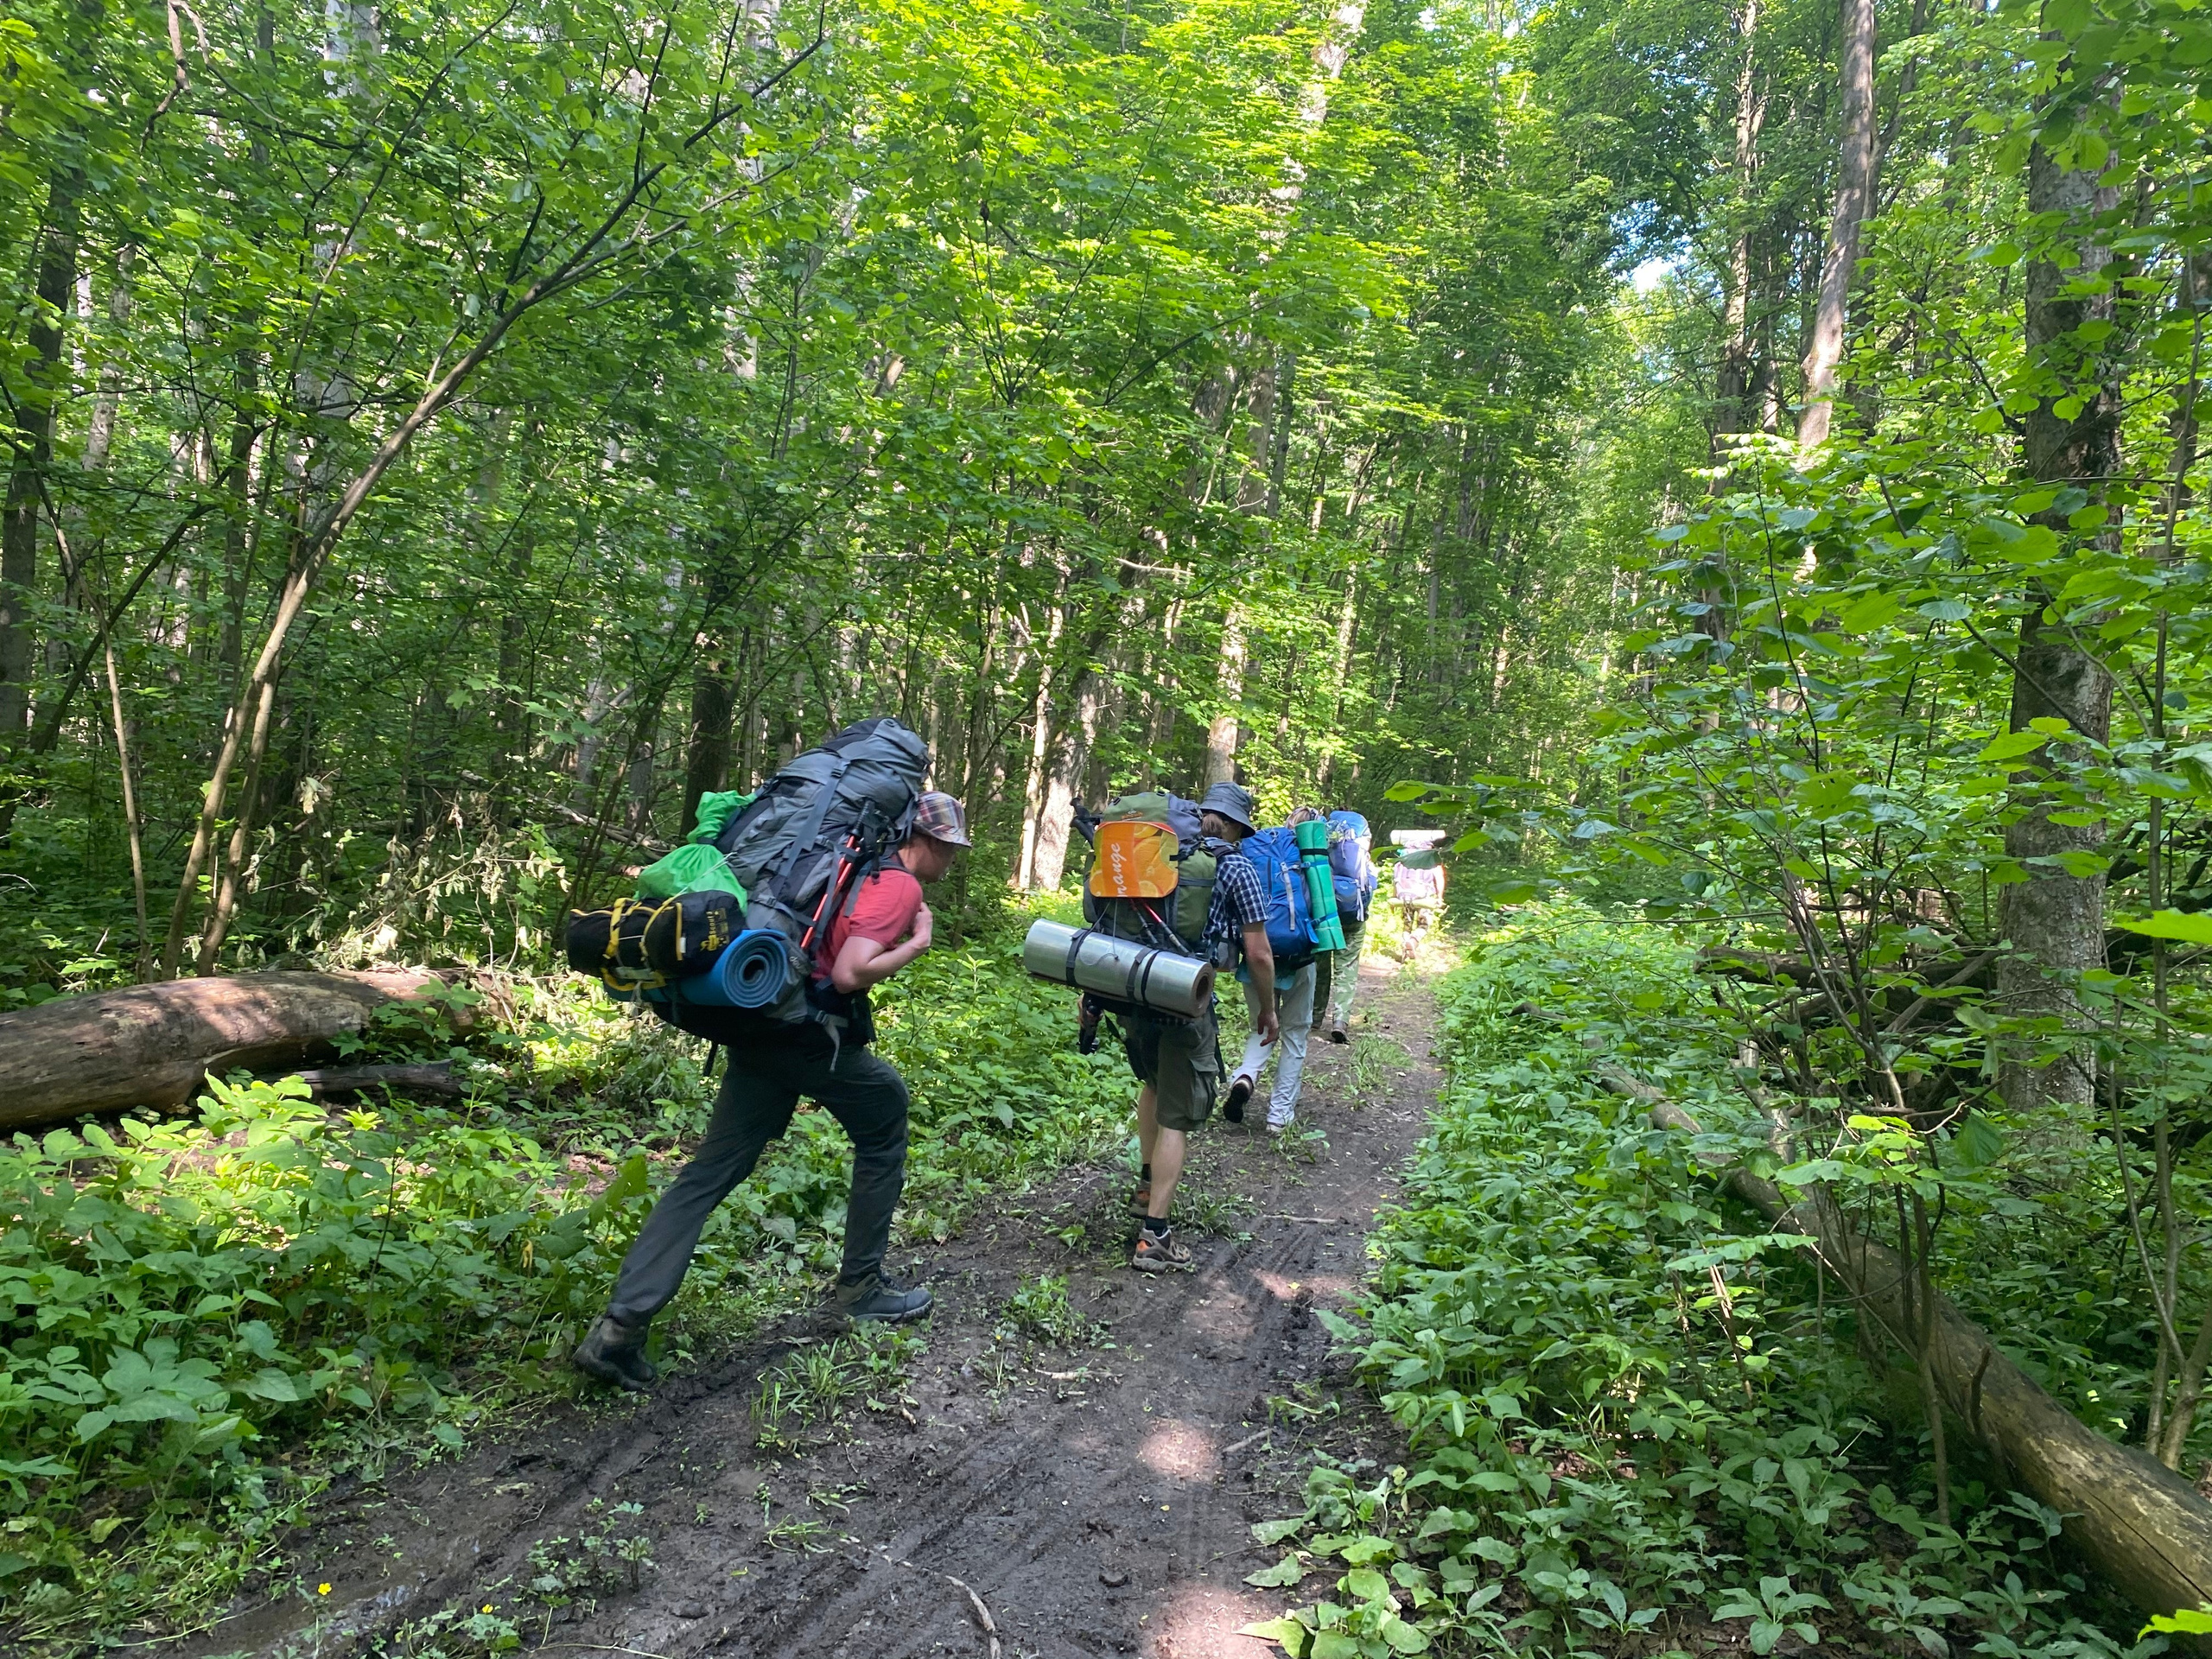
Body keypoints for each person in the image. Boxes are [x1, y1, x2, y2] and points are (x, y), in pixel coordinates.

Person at [572, 791, 973, 1391]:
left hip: (760, 1028)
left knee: (708, 1173)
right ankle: (862, 1287)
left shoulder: (847, 866)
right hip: (804, 1038)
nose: (951, 863)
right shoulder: (898, 885)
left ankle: (617, 1331)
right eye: (952, 850)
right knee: (885, 1113)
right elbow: (848, 971)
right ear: (932, 842)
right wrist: (913, 946)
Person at [1126, 779, 1274, 1273]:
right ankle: (1155, 1235)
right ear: (1233, 825)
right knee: (1179, 1114)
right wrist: (1267, 1010)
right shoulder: (1236, 866)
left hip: (1132, 986)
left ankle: (1147, 1184)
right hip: (1186, 1000)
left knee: (1152, 1082)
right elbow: (1257, 951)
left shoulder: (1155, 849)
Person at [1225, 804, 1324, 1135]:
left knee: (1262, 1027)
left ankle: (1245, 1078)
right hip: (1300, 959)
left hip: (1257, 956)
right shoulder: (1312, 857)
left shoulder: (1258, 844)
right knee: (1295, 1035)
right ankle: (1279, 1116)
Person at [1314, 810, 1376, 1045]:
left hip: (1327, 915)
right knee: (1346, 969)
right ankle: (1340, 1021)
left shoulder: (1325, 844)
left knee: (1320, 966)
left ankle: (1314, 1017)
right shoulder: (1361, 854)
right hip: (1355, 917)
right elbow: (1372, 884)